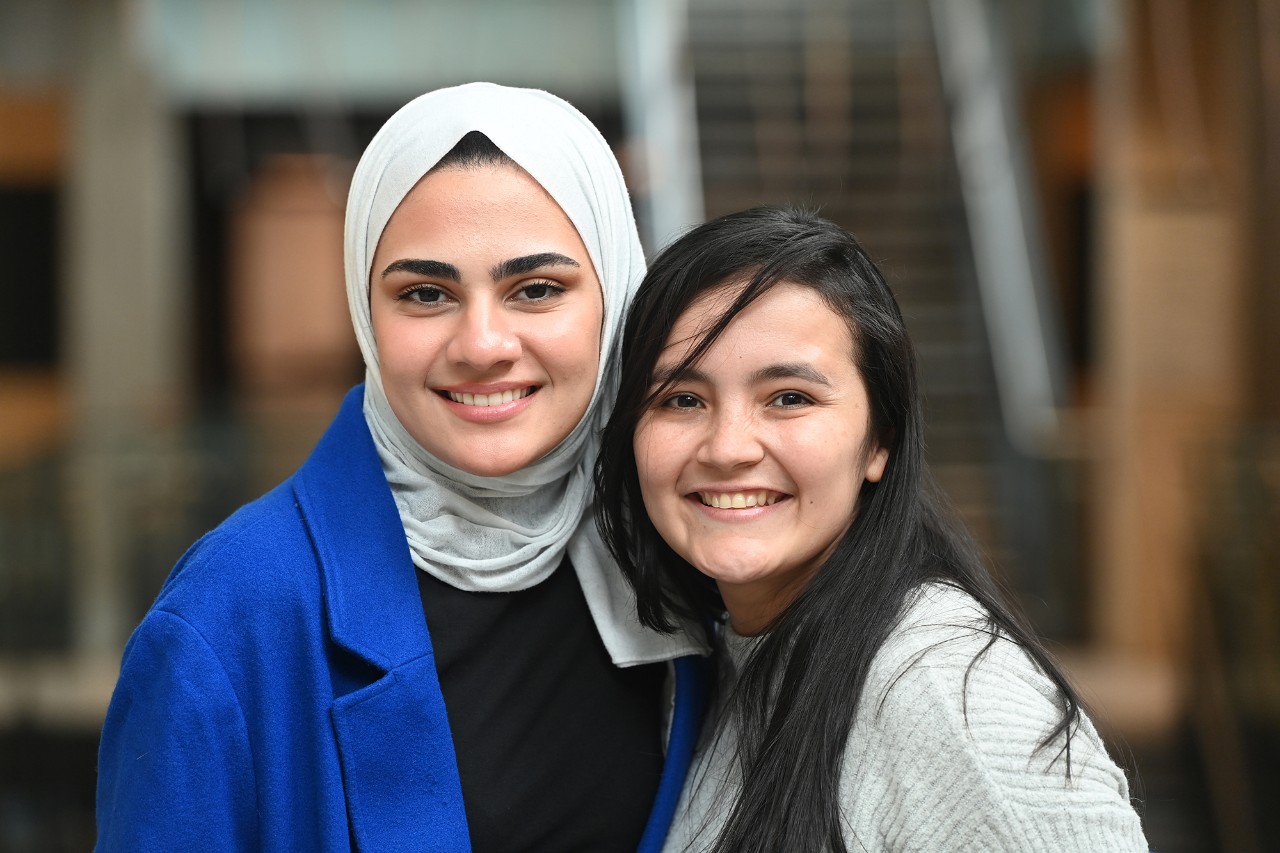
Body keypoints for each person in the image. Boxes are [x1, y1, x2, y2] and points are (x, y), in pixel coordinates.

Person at [95, 82, 709, 853]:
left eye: (538, 289)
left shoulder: (685, 552)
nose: (483, 343)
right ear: (365, 312)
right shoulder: (226, 622)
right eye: (426, 293)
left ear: (616, 297)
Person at [594, 206, 1150, 852]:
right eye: (682, 399)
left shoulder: (948, 695)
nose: (727, 447)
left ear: (880, 437)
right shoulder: (716, 661)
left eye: (789, 398)